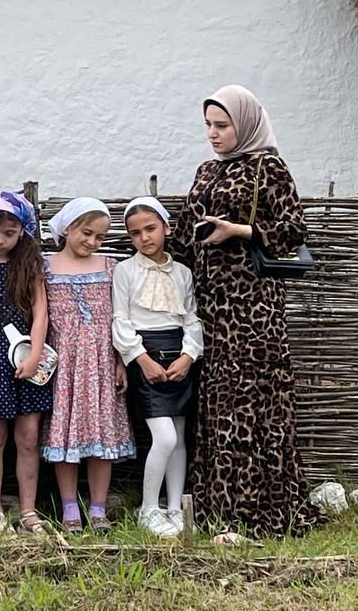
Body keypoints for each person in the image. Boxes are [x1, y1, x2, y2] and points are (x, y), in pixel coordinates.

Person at [172, 84, 326, 538]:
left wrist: (237, 230)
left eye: (222, 125)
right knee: (219, 396)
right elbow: (183, 236)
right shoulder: (206, 170)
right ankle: (219, 503)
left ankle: (264, 505)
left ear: (246, 124)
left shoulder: (268, 166)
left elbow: (293, 229)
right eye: (208, 125)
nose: (213, 133)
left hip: (254, 303)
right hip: (211, 303)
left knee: (254, 397)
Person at [42, 198, 135, 532]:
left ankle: (98, 509)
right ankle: (69, 508)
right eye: (87, 233)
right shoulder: (46, 267)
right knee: (65, 436)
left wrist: (120, 361)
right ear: (68, 228)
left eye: (100, 236)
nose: (93, 241)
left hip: (100, 364)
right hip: (64, 366)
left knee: (101, 436)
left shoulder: (110, 267)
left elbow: (121, 318)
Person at [112, 197, 203, 538]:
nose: (144, 238)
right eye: (135, 233)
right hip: (146, 357)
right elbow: (120, 320)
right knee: (163, 437)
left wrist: (188, 356)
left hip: (178, 357)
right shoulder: (125, 271)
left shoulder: (182, 273)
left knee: (179, 438)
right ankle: (149, 508)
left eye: (150, 229)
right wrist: (142, 359)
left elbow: (191, 319)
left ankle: (175, 507)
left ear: (166, 227)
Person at [0, 191, 53, 536]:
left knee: (29, 437)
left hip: (25, 360)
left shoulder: (29, 264)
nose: (0, 239)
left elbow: (41, 312)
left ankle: (29, 510)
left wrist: (35, 355)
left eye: (9, 233)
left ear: (22, 232)